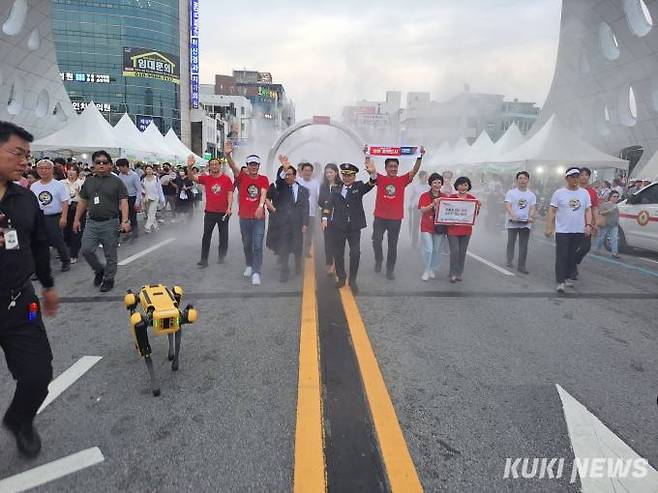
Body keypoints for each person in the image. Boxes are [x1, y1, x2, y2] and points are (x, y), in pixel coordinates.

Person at [0, 121, 59, 458]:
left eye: (27, 155)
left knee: (38, 375)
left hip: (19, 301)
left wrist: (48, 286)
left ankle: (20, 420)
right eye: (16, 153)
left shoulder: (25, 198)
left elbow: (38, 243)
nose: (25, 161)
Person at [73, 150, 130, 292]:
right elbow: (83, 201)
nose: (101, 165)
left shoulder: (116, 181)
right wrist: (76, 219)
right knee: (86, 250)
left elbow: (123, 201)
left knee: (110, 253)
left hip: (111, 222)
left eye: (105, 162)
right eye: (98, 162)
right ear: (93, 165)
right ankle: (99, 270)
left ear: (110, 165)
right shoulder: (89, 181)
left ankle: (109, 279)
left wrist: (125, 220)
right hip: (92, 222)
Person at [321, 159, 377, 294]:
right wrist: (324, 218)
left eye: (349, 175)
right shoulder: (336, 189)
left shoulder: (358, 187)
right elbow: (329, 205)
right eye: (344, 175)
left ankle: (352, 280)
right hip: (338, 226)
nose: (347, 178)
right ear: (341, 175)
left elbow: (371, 184)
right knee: (338, 254)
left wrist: (373, 173)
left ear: (354, 176)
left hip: (354, 227)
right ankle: (341, 278)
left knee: (355, 253)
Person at [370, 146, 425, 280]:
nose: (393, 168)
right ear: (386, 168)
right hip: (380, 217)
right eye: (390, 166)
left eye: (395, 166)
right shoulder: (380, 178)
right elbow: (371, 169)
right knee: (376, 241)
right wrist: (367, 154)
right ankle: (378, 260)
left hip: (395, 219)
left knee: (392, 245)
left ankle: (390, 270)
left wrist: (419, 157)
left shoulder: (402, 180)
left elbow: (415, 171)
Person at [224, 142, 269, 286]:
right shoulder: (242, 177)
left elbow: (263, 193)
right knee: (247, 244)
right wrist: (227, 155)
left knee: (257, 245)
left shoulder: (263, 179)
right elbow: (233, 166)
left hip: (258, 219)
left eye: (256, 164)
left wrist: (261, 206)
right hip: (244, 218)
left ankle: (256, 272)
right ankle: (249, 265)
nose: (253, 167)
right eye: (251, 164)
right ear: (247, 165)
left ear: (259, 166)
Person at [545, 167, 593, 293]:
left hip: (578, 230)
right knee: (562, 256)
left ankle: (566, 278)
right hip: (562, 230)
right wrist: (549, 227)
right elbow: (552, 210)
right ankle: (560, 281)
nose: (575, 179)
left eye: (577, 176)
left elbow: (588, 210)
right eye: (572, 177)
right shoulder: (559, 193)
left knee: (571, 256)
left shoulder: (584, 193)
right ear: (566, 178)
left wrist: (588, 225)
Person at [267, 162, 310, 282]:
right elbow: (278, 182)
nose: (287, 177)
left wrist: (305, 223)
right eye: (286, 175)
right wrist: (284, 169)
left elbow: (305, 207)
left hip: (297, 223)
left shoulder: (303, 190)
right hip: (284, 222)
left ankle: (297, 265)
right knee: (284, 246)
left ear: (295, 176)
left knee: (297, 245)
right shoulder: (282, 188)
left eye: (290, 174)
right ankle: (284, 271)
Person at [187, 156, 233, 267]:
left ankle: (221, 257)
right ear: (209, 166)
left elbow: (230, 193)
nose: (214, 166)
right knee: (206, 235)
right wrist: (189, 167)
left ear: (220, 166)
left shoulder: (226, 179)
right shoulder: (206, 178)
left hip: (223, 212)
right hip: (210, 212)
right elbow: (192, 178)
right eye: (212, 164)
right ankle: (204, 260)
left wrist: (229, 207)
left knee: (224, 236)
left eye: (216, 164)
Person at [30, 159, 71, 272]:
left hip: (54, 217)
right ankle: (41, 268)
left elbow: (65, 202)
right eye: (41, 168)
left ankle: (65, 260)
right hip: (39, 217)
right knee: (40, 243)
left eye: (47, 168)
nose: (44, 171)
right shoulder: (34, 186)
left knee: (57, 240)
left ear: (52, 170)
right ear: (37, 170)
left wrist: (64, 217)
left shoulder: (59, 185)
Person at [447, 176, 479, 283]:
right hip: (452, 229)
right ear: (457, 186)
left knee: (462, 252)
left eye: (465, 185)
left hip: (466, 230)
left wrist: (478, 207)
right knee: (454, 251)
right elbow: (445, 211)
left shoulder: (472, 199)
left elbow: (474, 214)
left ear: (468, 186)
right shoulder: (451, 197)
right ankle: (452, 273)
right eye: (461, 184)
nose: (463, 187)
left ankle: (459, 273)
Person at [504, 171, 537, 274]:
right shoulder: (511, 192)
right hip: (512, 222)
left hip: (525, 223)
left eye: (525, 178)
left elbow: (532, 207)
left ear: (528, 180)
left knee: (524, 245)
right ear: (517, 180)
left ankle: (521, 266)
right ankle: (509, 259)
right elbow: (507, 204)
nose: (523, 180)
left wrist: (531, 216)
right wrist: (512, 214)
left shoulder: (531, 195)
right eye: (520, 178)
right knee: (511, 242)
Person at [417, 172, 447, 281]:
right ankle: (426, 269)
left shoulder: (445, 197)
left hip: (439, 227)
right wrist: (433, 204)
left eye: (439, 182)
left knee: (437, 250)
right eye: (435, 182)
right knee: (429, 249)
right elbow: (422, 210)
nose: (437, 184)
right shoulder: (424, 196)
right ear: (430, 184)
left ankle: (432, 268)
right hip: (426, 226)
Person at [572, 167, 599, 279]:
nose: (584, 177)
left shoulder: (592, 192)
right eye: (581, 175)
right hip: (573, 224)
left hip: (586, 225)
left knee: (585, 248)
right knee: (572, 248)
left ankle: (573, 263)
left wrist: (595, 222)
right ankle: (572, 270)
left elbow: (595, 208)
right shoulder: (572, 189)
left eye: (586, 175)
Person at [318, 163, 342, 276]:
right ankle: (330, 263)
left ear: (336, 173)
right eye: (327, 172)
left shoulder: (341, 185)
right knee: (328, 241)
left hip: (338, 217)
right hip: (326, 217)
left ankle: (335, 265)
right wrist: (326, 203)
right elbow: (320, 201)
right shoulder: (323, 186)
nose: (329, 174)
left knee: (337, 242)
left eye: (331, 172)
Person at [296, 161, 320, 258]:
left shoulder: (316, 183)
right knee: (298, 233)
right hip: (298, 213)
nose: (307, 172)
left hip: (311, 213)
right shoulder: (297, 181)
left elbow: (319, 197)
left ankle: (306, 250)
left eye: (309, 171)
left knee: (309, 234)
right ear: (301, 171)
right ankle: (297, 250)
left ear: (312, 172)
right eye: (305, 170)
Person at [61, 165, 85, 264]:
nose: (71, 172)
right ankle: (68, 249)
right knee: (66, 232)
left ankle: (73, 254)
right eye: (69, 170)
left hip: (78, 207)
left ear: (77, 173)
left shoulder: (82, 183)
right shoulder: (61, 183)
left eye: (73, 170)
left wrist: (80, 193)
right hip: (65, 208)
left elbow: (86, 197)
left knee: (76, 231)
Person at [117, 158, 142, 238]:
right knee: (123, 216)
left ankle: (135, 233)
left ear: (125, 166)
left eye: (120, 167)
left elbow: (139, 189)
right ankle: (126, 231)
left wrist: (137, 202)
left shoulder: (134, 175)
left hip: (132, 198)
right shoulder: (120, 175)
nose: (119, 169)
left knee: (132, 216)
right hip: (123, 198)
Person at [593, 189, 621, 258]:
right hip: (605, 224)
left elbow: (617, 215)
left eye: (617, 197)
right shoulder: (605, 204)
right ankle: (597, 249)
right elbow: (600, 212)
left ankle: (614, 253)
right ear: (610, 197)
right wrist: (610, 210)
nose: (616, 198)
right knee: (601, 238)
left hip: (614, 224)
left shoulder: (617, 205)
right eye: (614, 196)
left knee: (614, 239)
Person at [407, 170, 429, 248]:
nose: (426, 178)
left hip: (427, 208)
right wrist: (410, 205)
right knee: (415, 225)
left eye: (427, 177)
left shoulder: (429, 186)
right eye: (425, 177)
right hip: (417, 207)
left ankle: (424, 242)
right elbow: (411, 197)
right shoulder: (415, 186)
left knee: (425, 226)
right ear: (420, 177)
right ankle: (414, 242)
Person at [141, 164, 164, 234]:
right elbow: (141, 188)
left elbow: (160, 189)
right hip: (147, 198)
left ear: (152, 170)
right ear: (145, 170)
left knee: (151, 212)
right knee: (150, 213)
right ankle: (156, 226)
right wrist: (143, 193)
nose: (148, 171)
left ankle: (147, 227)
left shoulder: (156, 179)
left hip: (155, 198)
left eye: (150, 169)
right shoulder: (143, 179)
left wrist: (162, 198)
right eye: (147, 169)